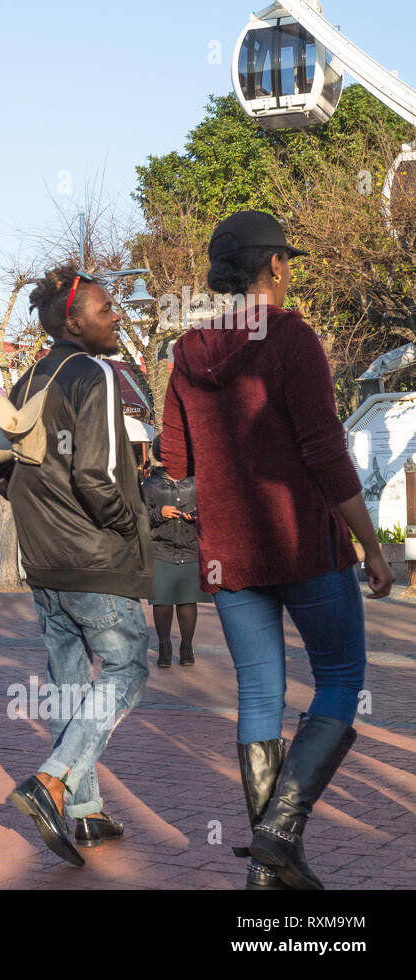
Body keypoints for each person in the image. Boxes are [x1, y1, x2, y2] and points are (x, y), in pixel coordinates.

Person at [161, 210, 394, 890]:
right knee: (342, 679)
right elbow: (324, 449)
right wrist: (371, 544)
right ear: (274, 268)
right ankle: (279, 835)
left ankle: (271, 867)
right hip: (302, 546)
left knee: (258, 694)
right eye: (287, 263)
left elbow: (177, 461)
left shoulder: (187, 352)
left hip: (228, 555)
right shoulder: (291, 338)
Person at [0, 263, 153, 867]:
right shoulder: (95, 373)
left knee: (72, 688)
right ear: (75, 324)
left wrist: (43, 512)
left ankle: (85, 814)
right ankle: (51, 782)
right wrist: (130, 529)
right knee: (128, 669)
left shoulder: (28, 379)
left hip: (45, 562)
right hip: (96, 559)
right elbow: (98, 476)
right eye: (107, 310)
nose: (116, 317)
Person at [142, 441, 209, 668]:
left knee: (188, 600)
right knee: (161, 601)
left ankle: (187, 646)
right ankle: (164, 645)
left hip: (190, 548)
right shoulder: (150, 483)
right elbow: (139, 516)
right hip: (160, 549)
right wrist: (158, 513)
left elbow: (212, 513)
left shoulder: (197, 481)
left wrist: (199, 514)